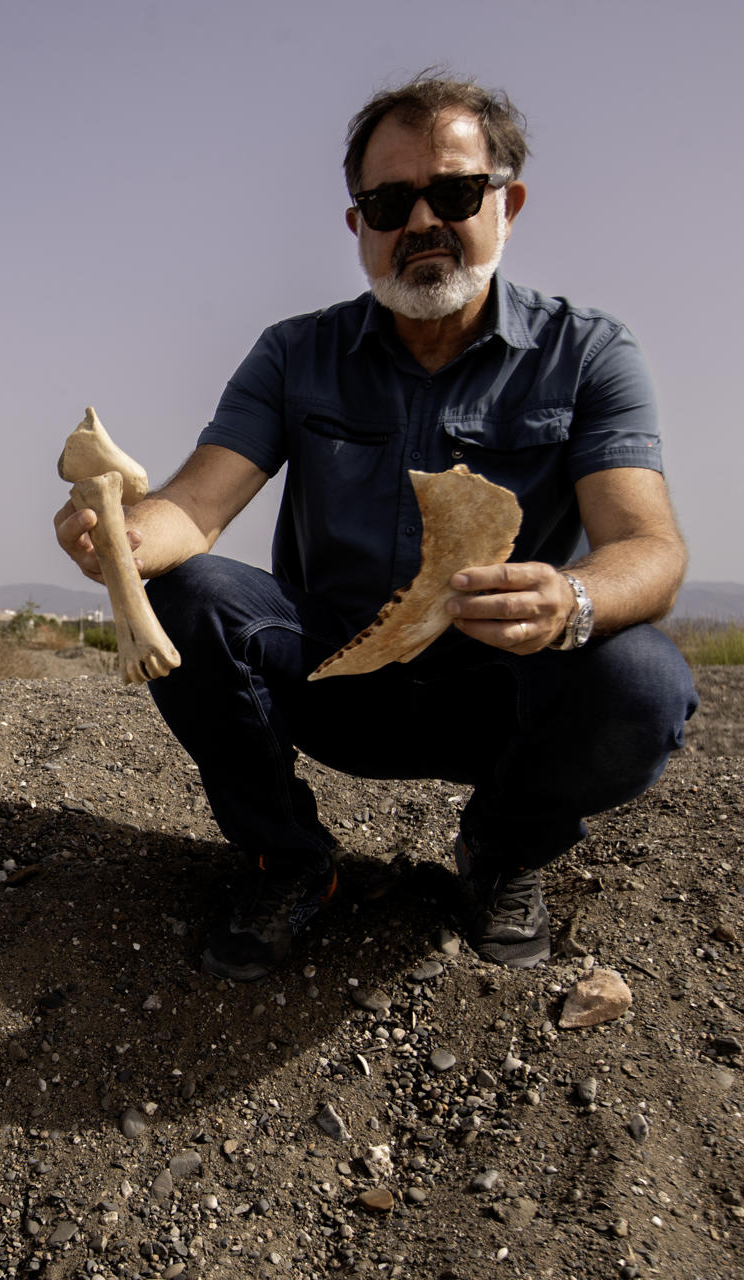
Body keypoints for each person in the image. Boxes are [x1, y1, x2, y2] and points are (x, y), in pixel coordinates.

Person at [53, 74, 698, 980]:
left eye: (456, 193)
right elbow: (194, 509)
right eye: (390, 201)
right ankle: (292, 862)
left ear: (506, 204)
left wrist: (572, 598)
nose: (422, 221)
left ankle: (500, 856)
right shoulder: (294, 354)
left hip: (503, 689)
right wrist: (115, 537)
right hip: (335, 678)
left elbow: (651, 549)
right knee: (190, 595)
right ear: (357, 226)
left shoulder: (588, 354)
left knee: (641, 677)